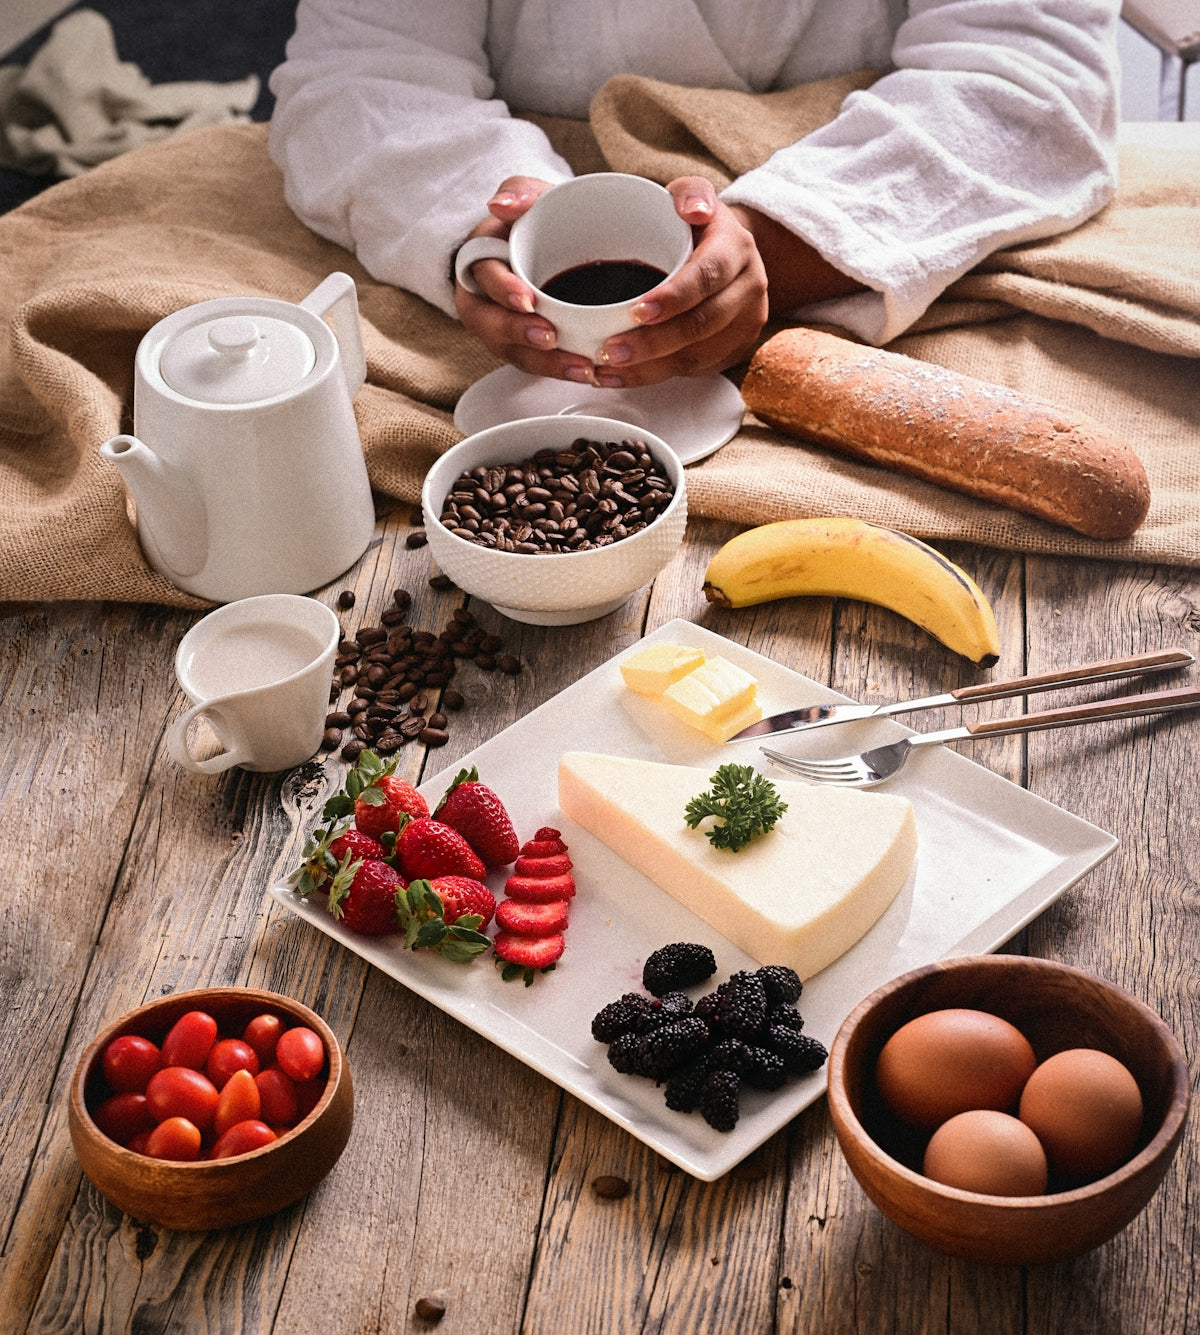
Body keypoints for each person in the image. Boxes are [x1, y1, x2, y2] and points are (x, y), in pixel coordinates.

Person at [268, 0, 1120, 388]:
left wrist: (770, 240)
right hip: (509, 210)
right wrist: (481, 229)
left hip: (869, 204)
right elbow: (361, 76)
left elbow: (1029, 75)